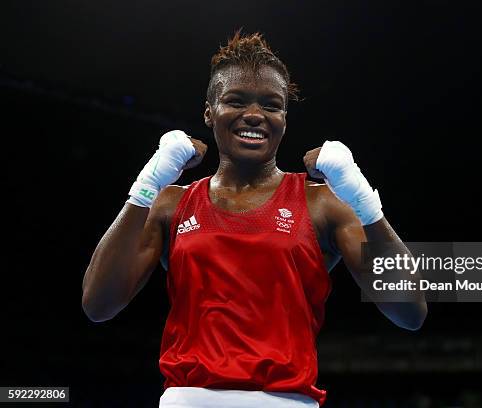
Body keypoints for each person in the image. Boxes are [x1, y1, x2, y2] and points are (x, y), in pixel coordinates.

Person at [82, 31, 427, 407]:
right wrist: (145, 186)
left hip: (286, 399)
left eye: (271, 105)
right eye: (236, 101)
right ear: (209, 111)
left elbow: (410, 311)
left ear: (284, 118)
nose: (254, 115)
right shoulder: (169, 204)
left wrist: (365, 202)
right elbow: (99, 305)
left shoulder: (324, 203)